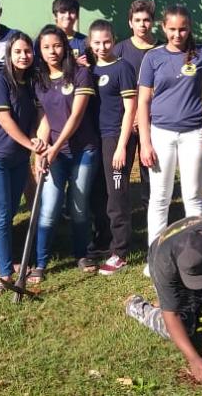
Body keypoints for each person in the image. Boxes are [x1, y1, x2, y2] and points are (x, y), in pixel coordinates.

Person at [138, 4, 202, 274]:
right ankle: (156, 258)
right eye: (172, 29)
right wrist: (145, 141)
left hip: (193, 135)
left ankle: (198, 255)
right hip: (161, 134)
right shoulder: (153, 58)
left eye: (183, 28)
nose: (178, 34)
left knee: (193, 196)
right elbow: (143, 101)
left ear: (190, 28)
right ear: (163, 28)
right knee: (160, 198)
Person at [125, 217, 202, 385]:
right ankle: (138, 307)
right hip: (172, 274)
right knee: (184, 328)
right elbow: (171, 315)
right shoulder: (164, 261)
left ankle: (192, 298)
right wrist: (193, 359)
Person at [0, 32, 46, 297]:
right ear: (9, 54)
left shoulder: (30, 83)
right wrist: (31, 144)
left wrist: (37, 144)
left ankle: (11, 262)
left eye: (27, 51)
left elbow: (39, 114)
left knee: (11, 213)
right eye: (18, 51)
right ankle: (4, 273)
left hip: (18, 160)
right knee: (1, 216)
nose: (23, 56)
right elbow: (4, 120)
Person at [31, 25, 100, 282]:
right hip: (54, 152)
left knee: (79, 206)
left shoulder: (80, 73)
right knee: (49, 207)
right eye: (46, 47)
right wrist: (40, 149)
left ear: (66, 47)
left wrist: (54, 147)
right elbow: (47, 118)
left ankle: (82, 253)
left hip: (83, 150)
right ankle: (40, 261)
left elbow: (76, 116)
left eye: (57, 45)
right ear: (40, 49)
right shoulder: (40, 80)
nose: (52, 51)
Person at [86, 19, 138, 275]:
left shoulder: (123, 68)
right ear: (89, 43)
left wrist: (121, 146)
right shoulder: (87, 69)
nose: (102, 46)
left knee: (117, 195)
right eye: (97, 42)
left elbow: (131, 109)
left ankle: (121, 251)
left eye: (107, 41)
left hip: (115, 139)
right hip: (93, 140)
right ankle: (103, 242)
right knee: (98, 194)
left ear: (114, 40)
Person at [112, 0, 160, 206]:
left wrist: (145, 119)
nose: (142, 24)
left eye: (146, 20)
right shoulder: (119, 50)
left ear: (153, 22)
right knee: (120, 167)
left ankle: (151, 207)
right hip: (126, 121)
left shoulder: (162, 50)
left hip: (155, 121)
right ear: (130, 23)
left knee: (151, 168)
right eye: (137, 20)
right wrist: (131, 118)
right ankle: (118, 207)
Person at [52, 0, 89, 67]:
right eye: (62, 12)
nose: (67, 16)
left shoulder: (85, 41)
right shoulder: (45, 40)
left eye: (71, 12)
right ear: (55, 16)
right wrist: (74, 63)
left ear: (77, 16)